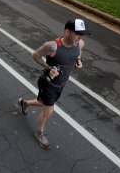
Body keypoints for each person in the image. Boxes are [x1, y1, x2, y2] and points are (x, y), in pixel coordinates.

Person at [18, 19, 89, 149]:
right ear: (67, 32)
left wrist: (78, 60)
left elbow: (79, 51)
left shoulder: (79, 43)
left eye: (82, 34)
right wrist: (48, 67)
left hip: (61, 84)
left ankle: (25, 103)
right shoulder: (52, 46)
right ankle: (39, 133)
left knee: (44, 102)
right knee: (48, 111)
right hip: (48, 83)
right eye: (77, 34)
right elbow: (35, 56)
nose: (80, 37)